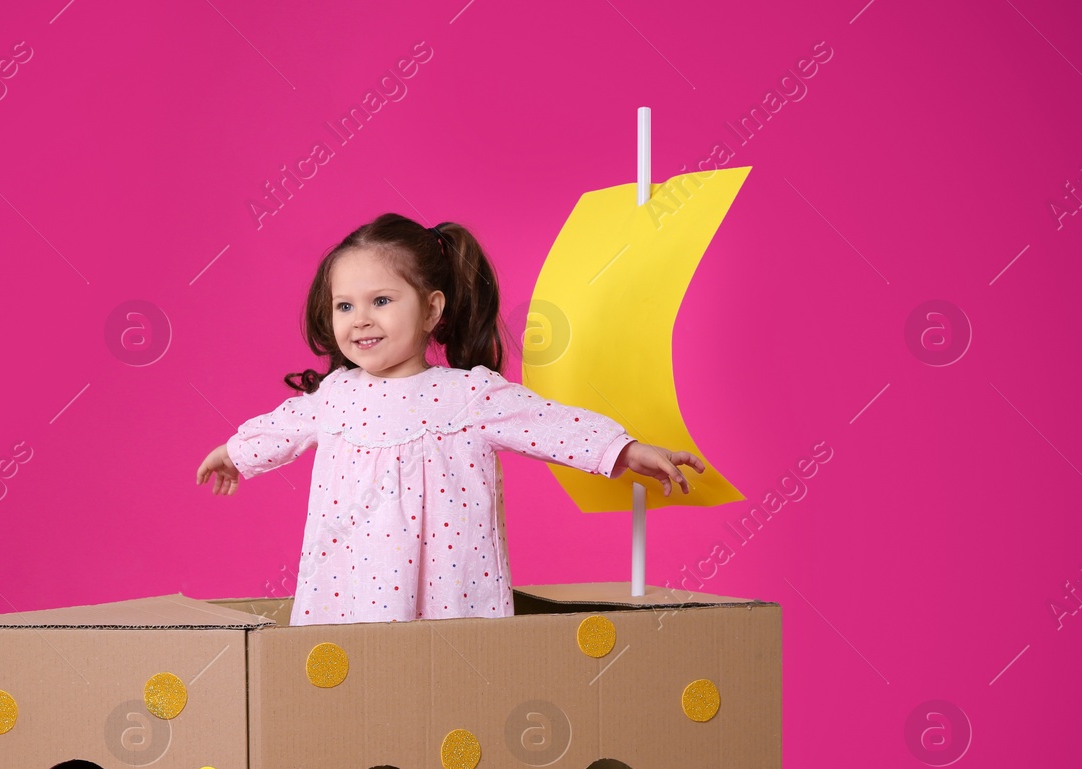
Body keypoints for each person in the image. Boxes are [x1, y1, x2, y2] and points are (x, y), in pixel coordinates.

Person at [196, 213, 704, 625]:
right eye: (344, 305)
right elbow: (282, 426)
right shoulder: (335, 396)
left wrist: (624, 449)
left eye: (381, 301)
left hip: (448, 595)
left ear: (432, 308)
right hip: (346, 593)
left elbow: (546, 421)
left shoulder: (466, 394)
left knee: (449, 709)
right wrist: (234, 454)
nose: (361, 319)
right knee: (350, 703)